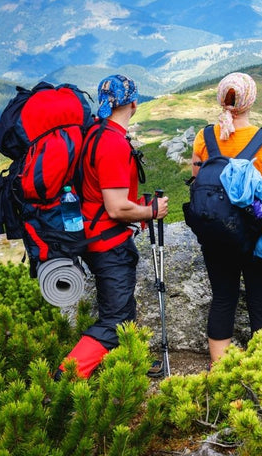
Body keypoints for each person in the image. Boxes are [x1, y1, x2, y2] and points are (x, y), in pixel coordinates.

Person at [55, 74, 169, 380]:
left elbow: (101, 191)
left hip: (94, 235)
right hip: (107, 243)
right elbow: (117, 208)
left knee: (123, 307)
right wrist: (150, 211)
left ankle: (128, 365)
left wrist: (138, 207)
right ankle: (64, 378)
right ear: (133, 103)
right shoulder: (113, 143)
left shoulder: (95, 132)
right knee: (113, 319)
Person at [190, 72, 262, 364]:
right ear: (251, 100)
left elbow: (198, 184)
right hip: (257, 233)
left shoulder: (204, 137)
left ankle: (220, 371)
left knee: (223, 299)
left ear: (222, 98)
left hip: (218, 234)